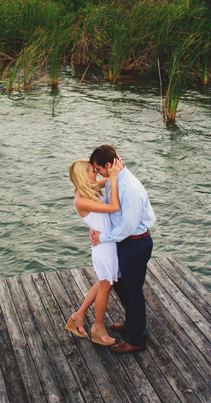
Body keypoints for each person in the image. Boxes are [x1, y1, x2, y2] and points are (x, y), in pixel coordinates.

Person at [88, 144, 155, 354]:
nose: (98, 173)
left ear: (109, 165)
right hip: (125, 242)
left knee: (133, 291)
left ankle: (138, 338)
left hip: (135, 242)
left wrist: (102, 237)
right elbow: (103, 191)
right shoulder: (115, 179)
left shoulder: (130, 188)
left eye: (98, 169)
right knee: (119, 284)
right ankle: (131, 322)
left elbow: (128, 226)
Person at [65, 159, 121, 346]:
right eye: (92, 170)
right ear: (83, 175)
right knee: (106, 288)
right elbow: (114, 207)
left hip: (106, 243)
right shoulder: (81, 200)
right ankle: (98, 328)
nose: (96, 172)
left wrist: (115, 172)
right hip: (104, 248)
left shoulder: (89, 188)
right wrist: (112, 177)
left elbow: (109, 180)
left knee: (104, 283)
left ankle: (78, 316)